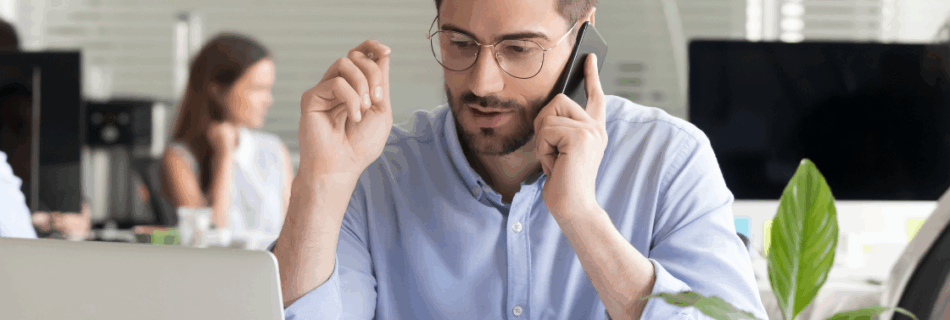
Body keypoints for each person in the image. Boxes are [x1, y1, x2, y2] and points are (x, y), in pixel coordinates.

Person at [273, 0, 767, 318]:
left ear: (582, 33)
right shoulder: (378, 171)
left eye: (519, 49)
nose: (483, 82)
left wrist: (583, 218)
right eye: (460, 43)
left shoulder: (667, 159)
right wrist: (322, 181)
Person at [160, 33, 292, 250]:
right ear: (218, 91)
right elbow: (207, 238)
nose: (268, 100)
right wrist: (224, 156)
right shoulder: (179, 158)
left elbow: (291, 228)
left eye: (269, 89)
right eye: (257, 89)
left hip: (273, 271)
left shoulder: (275, 150)